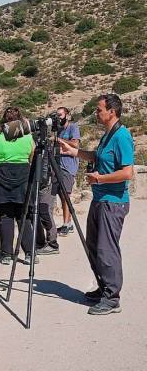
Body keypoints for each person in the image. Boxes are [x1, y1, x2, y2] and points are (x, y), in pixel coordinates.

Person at [59, 94, 134, 315]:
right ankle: (103, 288)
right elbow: (97, 157)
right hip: (100, 199)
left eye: (99, 109)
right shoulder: (107, 136)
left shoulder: (121, 136)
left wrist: (99, 178)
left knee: (106, 249)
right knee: (94, 245)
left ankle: (112, 298)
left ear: (112, 111)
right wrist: (74, 152)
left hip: (113, 202)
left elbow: (127, 172)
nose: (96, 113)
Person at [0, 107, 37, 265]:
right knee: (24, 216)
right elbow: (33, 157)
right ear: (20, 120)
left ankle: (6, 254)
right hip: (23, 177)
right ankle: (30, 254)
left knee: (6, 216)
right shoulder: (28, 137)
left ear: (4, 120)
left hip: (1, 178)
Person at [54, 107, 81, 236]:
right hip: (58, 166)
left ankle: (66, 224)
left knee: (66, 195)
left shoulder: (73, 127)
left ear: (67, 115)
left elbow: (75, 144)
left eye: (60, 115)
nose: (59, 117)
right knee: (61, 194)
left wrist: (60, 141)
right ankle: (68, 223)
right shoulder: (58, 130)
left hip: (68, 166)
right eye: (57, 115)